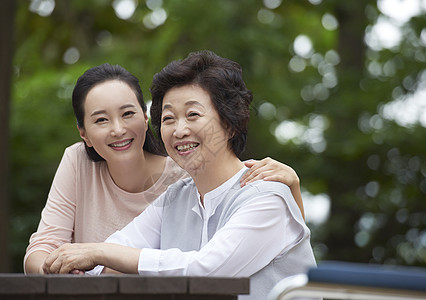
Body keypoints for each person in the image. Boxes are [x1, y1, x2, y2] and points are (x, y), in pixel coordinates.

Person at [42, 51, 316, 299]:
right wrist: (82, 261)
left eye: (193, 114)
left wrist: (97, 252)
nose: (179, 130)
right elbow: (117, 247)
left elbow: (207, 272)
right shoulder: (177, 197)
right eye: (169, 118)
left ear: (230, 124)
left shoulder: (266, 196)